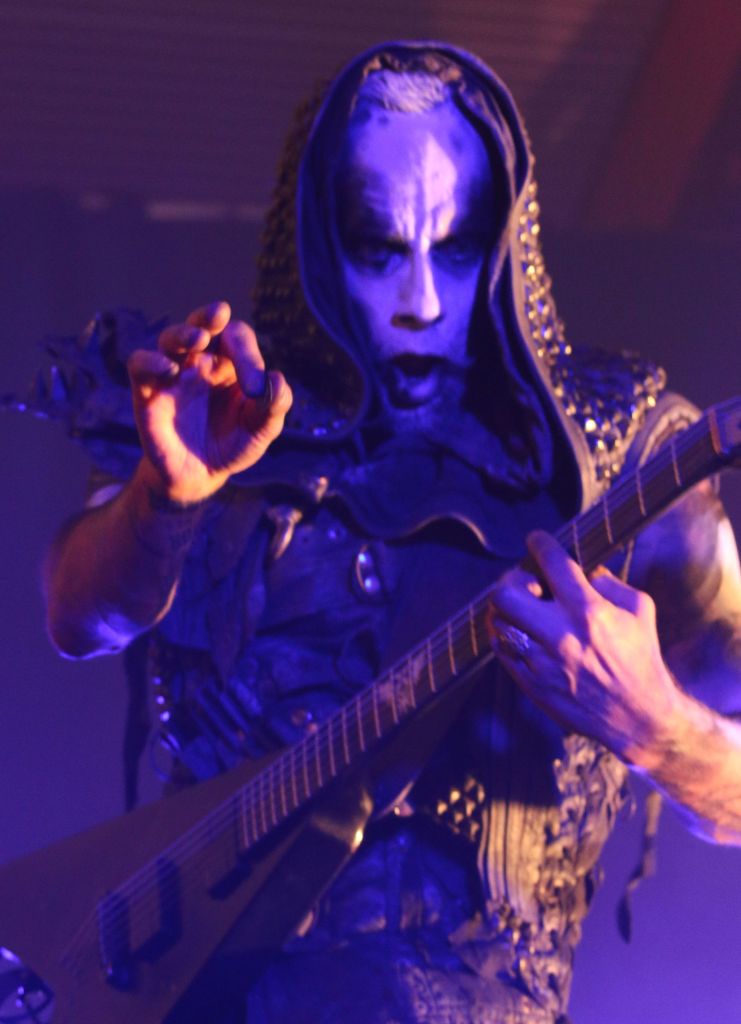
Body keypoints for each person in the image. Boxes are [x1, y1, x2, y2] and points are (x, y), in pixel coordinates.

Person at [41, 42, 741, 1024]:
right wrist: (166, 494)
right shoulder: (223, 410)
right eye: (379, 248)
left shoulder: (625, 450)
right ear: (318, 241)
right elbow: (79, 620)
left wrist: (654, 724)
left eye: (454, 247)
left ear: (507, 242)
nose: (421, 304)